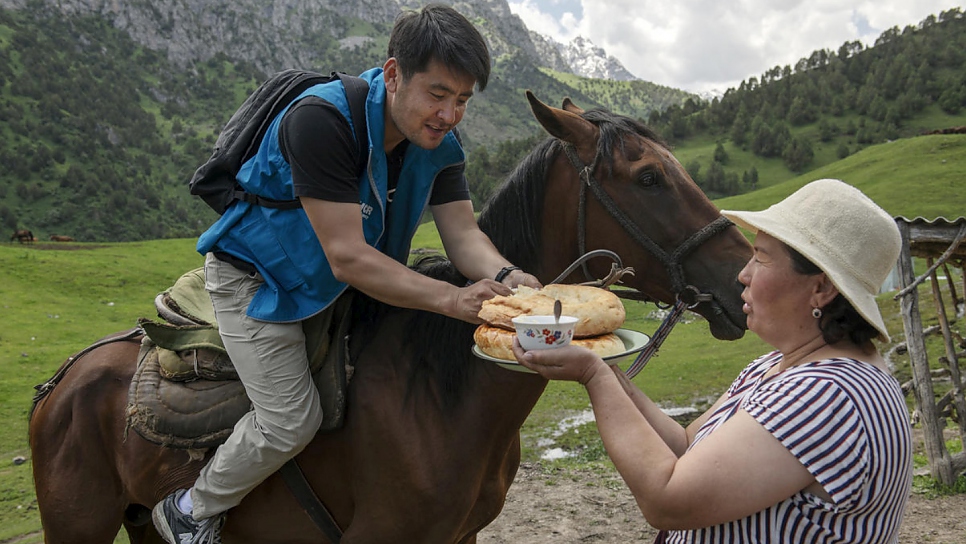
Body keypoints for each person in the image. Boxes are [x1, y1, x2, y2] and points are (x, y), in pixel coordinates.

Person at [152, 4, 540, 542]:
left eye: (462, 100)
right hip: (260, 282)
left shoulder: (439, 145)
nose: (449, 114)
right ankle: (190, 509)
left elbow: (463, 235)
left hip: (339, 286)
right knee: (290, 420)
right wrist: (452, 300)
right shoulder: (323, 122)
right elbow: (348, 256)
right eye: (438, 94)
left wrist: (512, 274)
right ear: (394, 74)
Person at [512, 178, 912, 543]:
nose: (744, 274)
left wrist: (593, 376)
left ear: (821, 288)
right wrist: (605, 364)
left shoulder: (829, 395)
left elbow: (668, 500)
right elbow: (685, 445)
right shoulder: (780, 367)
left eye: (762, 256)